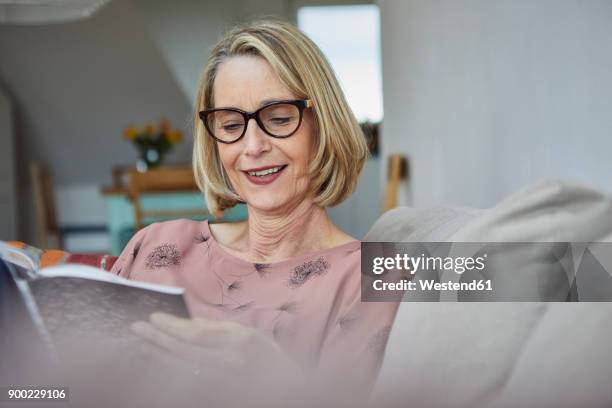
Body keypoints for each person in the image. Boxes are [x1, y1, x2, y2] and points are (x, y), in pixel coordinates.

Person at [110, 20, 398, 406]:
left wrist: (273, 376)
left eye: (279, 118)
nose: (253, 145)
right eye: (230, 124)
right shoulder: (154, 245)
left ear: (323, 124)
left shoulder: (370, 279)